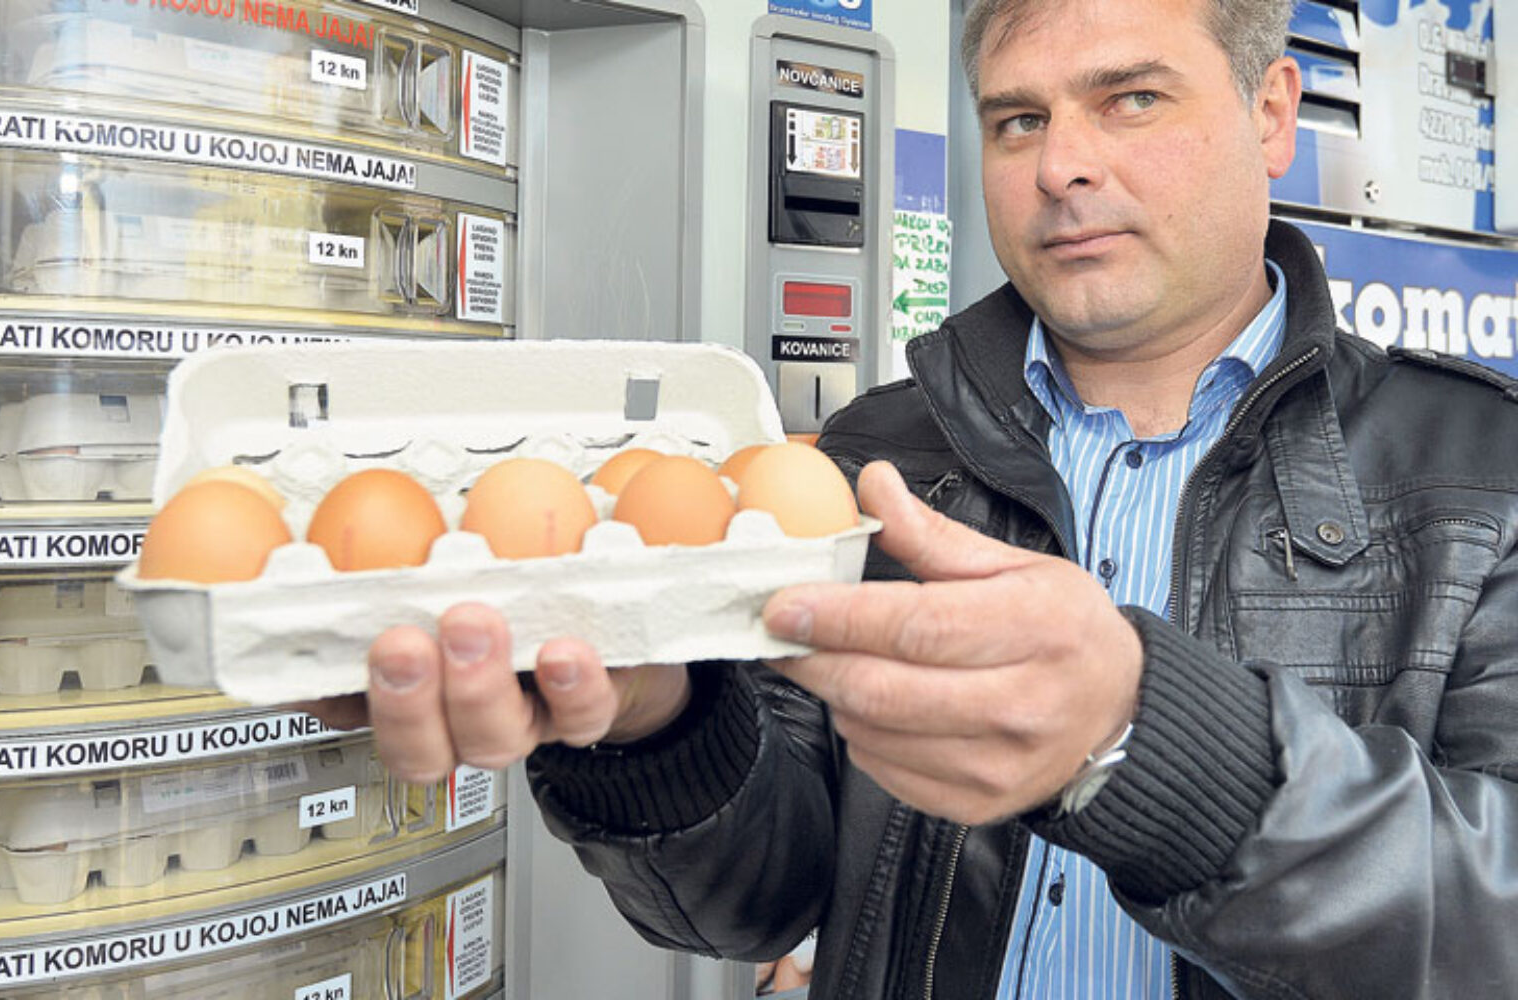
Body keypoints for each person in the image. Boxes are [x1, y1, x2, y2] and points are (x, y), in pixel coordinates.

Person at [312, 0, 1518, 995]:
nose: (1061, 165)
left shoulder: (1480, 475)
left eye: (1130, 99)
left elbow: (1491, 922)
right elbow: (758, 900)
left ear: (1271, 114)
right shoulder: (880, 455)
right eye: (1017, 119)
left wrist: (1145, 741)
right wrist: (655, 722)